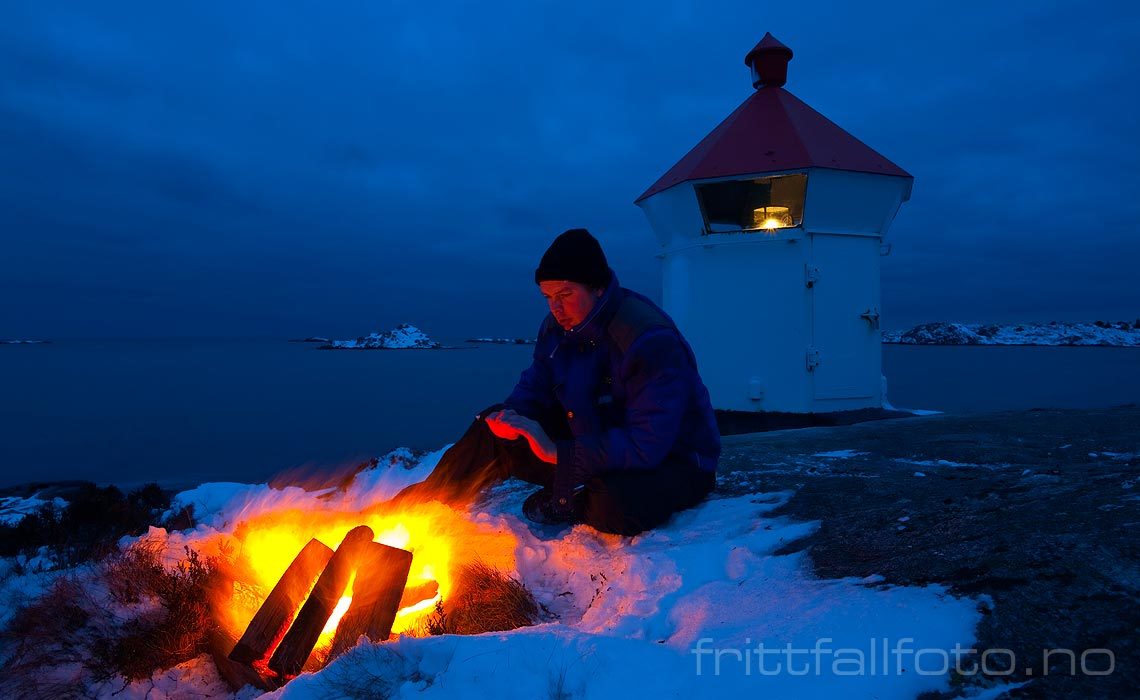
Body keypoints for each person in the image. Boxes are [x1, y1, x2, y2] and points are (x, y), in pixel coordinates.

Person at [393, 228, 720, 535]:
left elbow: (647, 443)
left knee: (616, 503)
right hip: (595, 438)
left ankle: (572, 503)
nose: (556, 308)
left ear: (598, 287)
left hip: (673, 462)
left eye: (565, 293)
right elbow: (536, 385)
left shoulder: (647, 339)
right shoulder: (556, 329)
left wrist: (559, 453)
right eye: (548, 296)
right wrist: (512, 417)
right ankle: (428, 502)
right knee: (494, 428)